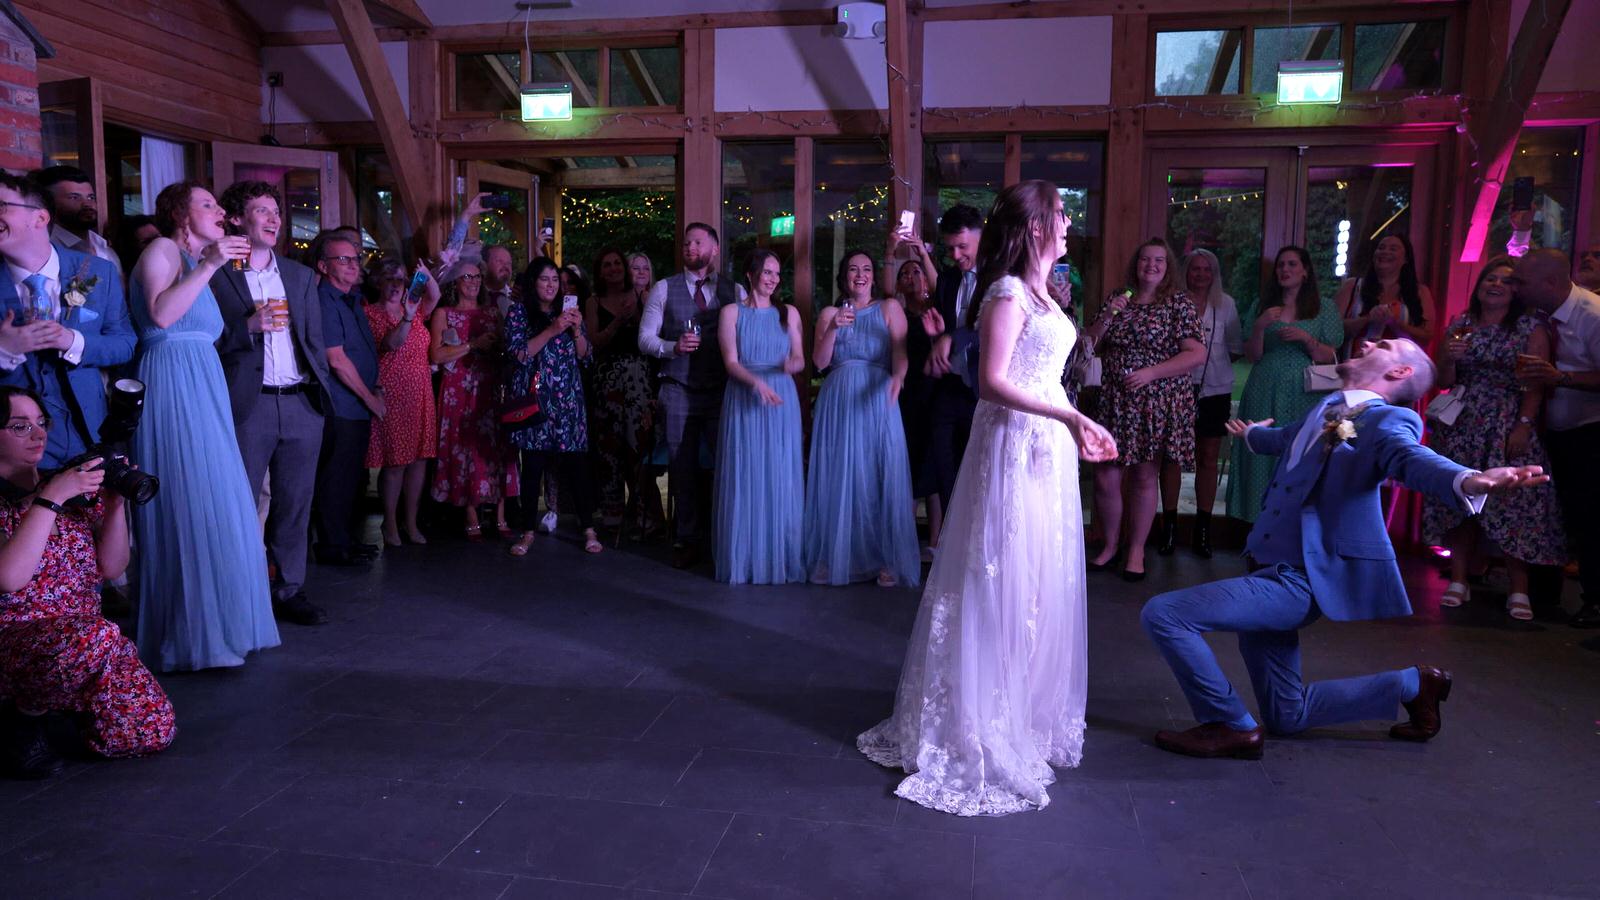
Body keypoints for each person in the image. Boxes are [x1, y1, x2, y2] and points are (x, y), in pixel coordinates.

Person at [1141, 337, 1547, 759]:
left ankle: (1228, 725)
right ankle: (1414, 684)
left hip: (1298, 579)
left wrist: (1467, 478)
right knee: (1287, 714)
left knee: (1166, 614)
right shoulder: (1329, 408)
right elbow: (1284, 439)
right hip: (1265, 566)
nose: (1370, 341)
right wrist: (1252, 436)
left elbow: (1408, 457)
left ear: (1399, 372)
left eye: (1385, 344)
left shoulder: (1388, 420)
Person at [859, 180, 1119, 816]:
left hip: (1047, 449)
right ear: (1035, 227)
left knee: (1038, 579)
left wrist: (1078, 420)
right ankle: (979, 716)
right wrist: (1067, 419)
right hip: (1011, 447)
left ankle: (1025, 709)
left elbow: (1047, 375)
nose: (1067, 223)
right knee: (997, 575)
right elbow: (995, 382)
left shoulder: (1047, 296)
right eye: (1060, 214)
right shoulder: (1004, 292)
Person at [129, 180, 279, 671]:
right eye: (208, 204)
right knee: (190, 500)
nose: (219, 210)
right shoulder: (161, 249)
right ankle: (191, 635)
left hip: (203, 385)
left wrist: (209, 264)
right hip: (171, 384)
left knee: (221, 501)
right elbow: (161, 315)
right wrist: (214, 262)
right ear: (179, 213)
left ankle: (224, 626)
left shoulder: (195, 263)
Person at [0, 386, 175, 779]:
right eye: (19, 426)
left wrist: (115, 503)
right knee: (92, 637)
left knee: (151, 731)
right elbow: (9, 578)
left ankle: (63, 701)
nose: (38, 434)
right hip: (17, 643)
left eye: (41, 423)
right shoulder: (52, 492)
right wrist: (49, 499)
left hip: (89, 643)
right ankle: (22, 718)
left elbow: (112, 567)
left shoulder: (69, 488)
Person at [212, 180, 335, 627]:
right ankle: (239, 590)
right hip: (250, 403)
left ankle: (289, 590)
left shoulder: (300, 275)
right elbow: (200, 338)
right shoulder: (218, 273)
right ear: (237, 219)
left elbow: (314, 340)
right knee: (241, 503)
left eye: (276, 211)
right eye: (262, 210)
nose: (273, 218)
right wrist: (246, 325)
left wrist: (321, 393)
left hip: (301, 402)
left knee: (295, 503)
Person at [1425, 259, 1565, 620]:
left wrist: (1523, 424)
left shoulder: (1528, 327)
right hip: (1463, 421)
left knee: (1514, 503)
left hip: (1506, 420)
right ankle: (1458, 579)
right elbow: (1443, 378)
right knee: (1462, 498)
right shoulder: (1462, 324)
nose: (1496, 284)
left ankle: (1519, 589)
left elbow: (1534, 382)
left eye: (1505, 280)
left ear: (1517, 290)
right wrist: (1450, 359)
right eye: (1490, 278)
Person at [1082, 238, 1205, 581]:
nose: (1151, 265)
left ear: (1168, 268)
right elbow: (1089, 344)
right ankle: (1109, 545)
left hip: (1155, 401)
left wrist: (1150, 373)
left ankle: (1136, 550)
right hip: (1115, 401)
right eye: (1145, 259)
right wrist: (1108, 315)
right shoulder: (1120, 298)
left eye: (1159, 261)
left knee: (1143, 476)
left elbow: (1196, 354)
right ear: (1136, 264)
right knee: (1106, 478)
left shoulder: (1177, 303)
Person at [0, 172, 136, 469]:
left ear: (39, 219)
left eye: (1, 206)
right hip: (14, 455)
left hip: (88, 433)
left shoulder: (97, 271)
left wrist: (72, 341)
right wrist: (4, 350)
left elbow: (125, 343)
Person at [804, 250, 921, 588]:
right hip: (838, 399)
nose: (861, 275)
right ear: (844, 276)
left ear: (873, 275)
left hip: (877, 395)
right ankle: (833, 555)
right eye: (854, 269)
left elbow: (900, 354)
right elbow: (821, 362)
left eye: (867, 269)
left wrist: (899, 378)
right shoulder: (830, 312)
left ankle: (885, 558)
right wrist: (833, 330)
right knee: (839, 476)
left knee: (877, 474)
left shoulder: (889, 308)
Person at [637, 223, 745, 569]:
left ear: (714, 249)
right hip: (678, 388)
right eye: (686, 242)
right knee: (681, 467)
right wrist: (672, 347)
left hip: (721, 391)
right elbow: (645, 339)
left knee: (725, 465)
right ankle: (686, 538)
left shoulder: (736, 291)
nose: (689, 246)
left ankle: (722, 537)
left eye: (697, 242)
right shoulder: (663, 289)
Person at [1509, 249, 1600, 628]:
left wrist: (1559, 378)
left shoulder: (1592, 316)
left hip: (1589, 433)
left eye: (1522, 282)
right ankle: (1545, 593)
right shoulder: (1540, 316)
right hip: (1553, 431)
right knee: (1553, 514)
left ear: (1549, 283)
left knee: (1590, 518)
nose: (1515, 288)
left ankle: (1595, 601)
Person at [1226, 247, 1344, 523]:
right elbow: (1253, 356)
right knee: (1259, 453)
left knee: (1300, 451)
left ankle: (1294, 524)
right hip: (1264, 387)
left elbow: (1330, 355)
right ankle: (1256, 522)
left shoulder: (1323, 308)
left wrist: (1307, 339)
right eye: (1281, 265)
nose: (1285, 270)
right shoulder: (1262, 305)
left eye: (1292, 264)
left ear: (1305, 272)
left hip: (1305, 392)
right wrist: (1259, 326)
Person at [714, 250, 804, 584]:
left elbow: (799, 358)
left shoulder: (788, 312)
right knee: (746, 473)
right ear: (751, 275)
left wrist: (788, 366)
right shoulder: (731, 313)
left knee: (779, 475)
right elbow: (731, 362)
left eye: (777, 274)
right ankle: (747, 559)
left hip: (781, 398)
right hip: (745, 394)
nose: (773, 279)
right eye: (767, 272)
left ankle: (778, 556)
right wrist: (757, 383)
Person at [505, 257, 597, 556]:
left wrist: (577, 330)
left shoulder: (568, 312)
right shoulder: (520, 312)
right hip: (536, 400)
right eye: (545, 279)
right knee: (532, 466)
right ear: (533, 283)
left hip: (568, 401)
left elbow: (586, 356)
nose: (550, 285)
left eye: (555, 280)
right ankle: (527, 531)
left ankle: (589, 529)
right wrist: (552, 329)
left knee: (577, 466)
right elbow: (519, 354)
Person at [1160, 249, 1241, 558]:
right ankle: (1169, 529)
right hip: (1177, 387)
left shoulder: (1227, 304)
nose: (1201, 274)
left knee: (1208, 456)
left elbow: (1234, 347)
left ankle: (1203, 530)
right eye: (1195, 269)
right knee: (1172, 456)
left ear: (1214, 273)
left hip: (1215, 389)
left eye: (1207, 269)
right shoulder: (1173, 301)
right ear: (1186, 271)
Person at [429, 260, 517, 540]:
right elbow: (436, 356)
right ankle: (470, 514)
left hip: (490, 387)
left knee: (496, 448)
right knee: (462, 450)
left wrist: (498, 348)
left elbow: (506, 347)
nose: (473, 281)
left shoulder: (492, 312)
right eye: (467, 276)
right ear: (455, 281)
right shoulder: (444, 313)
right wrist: (471, 346)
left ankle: (501, 514)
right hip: (458, 390)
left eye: (477, 276)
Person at [312, 231, 385, 565]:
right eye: (343, 259)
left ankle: (348, 539)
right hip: (341, 406)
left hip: (358, 404)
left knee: (353, 477)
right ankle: (332, 545)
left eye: (355, 258)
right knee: (336, 478)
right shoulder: (325, 300)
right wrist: (370, 399)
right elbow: (337, 359)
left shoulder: (353, 298)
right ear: (324, 266)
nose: (353, 264)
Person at [915, 205, 984, 520]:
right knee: (944, 474)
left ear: (981, 238)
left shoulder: (1000, 279)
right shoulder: (947, 280)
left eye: (962, 247)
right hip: (948, 388)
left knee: (979, 477)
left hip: (982, 392)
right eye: (950, 248)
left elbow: (988, 328)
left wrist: (950, 338)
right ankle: (948, 548)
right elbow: (946, 333)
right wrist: (937, 335)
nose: (955, 255)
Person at [365, 259, 439, 547]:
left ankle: (411, 522)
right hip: (393, 395)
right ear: (377, 283)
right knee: (396, 463)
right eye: (389, 279)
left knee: (419, 460)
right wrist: (406, 318)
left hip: (420, 392)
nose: (396, 285)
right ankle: (390, 523)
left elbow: (434, 295)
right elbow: (392, 344)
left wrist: (426, 274)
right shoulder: (370, 314)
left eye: (400, 280)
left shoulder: (417, 309)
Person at [586, 248, 656, 533]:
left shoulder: (641, 297)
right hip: (607, 382)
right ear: (600, 271)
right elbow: (595, 342)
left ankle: (643, 514)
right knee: (609, 448)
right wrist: (617, 321)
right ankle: (612, 512)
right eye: (607, 264)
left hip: (638, 380)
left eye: (617, 263)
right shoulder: (593, 302)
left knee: (637, 446)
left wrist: (638, 311)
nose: (614, 268)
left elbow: (648, 340)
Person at [892, 258, 941, 559]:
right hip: (905, 393)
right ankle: (907, 539)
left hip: (933, 391)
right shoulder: (896, 313)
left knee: (933, 465)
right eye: (904, 274)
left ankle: (935, 542)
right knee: (908, 464)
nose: (911, 277)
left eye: (916, 271)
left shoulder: (935, 310)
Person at [1336, 233, 1434, 348]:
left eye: (1393, 249)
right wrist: (1367, 319)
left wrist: (1396, 323)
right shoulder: (1352, 286)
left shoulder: (1420, 292)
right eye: (1381, 248)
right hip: (1355, 363)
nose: (1385, 252)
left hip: (1400, 365)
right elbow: (1333, 329)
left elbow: (1427, 337)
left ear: (1406, 259)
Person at [35, 167, 121, 280]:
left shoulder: (101, 245)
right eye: (74, 197)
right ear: (49, 203)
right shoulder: (47, 249)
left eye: (91, 197)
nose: (87, 204)